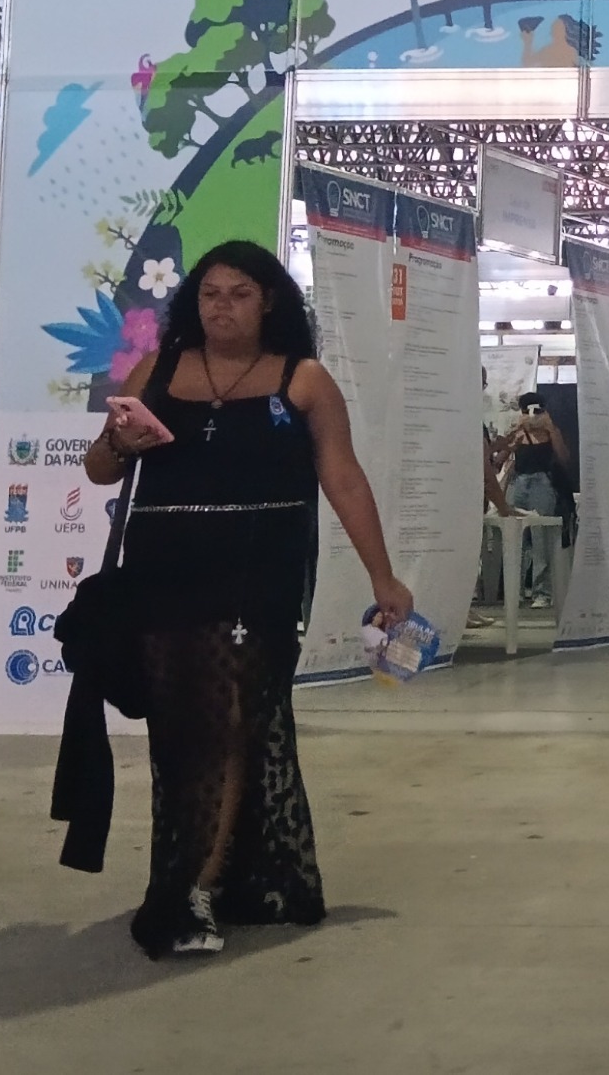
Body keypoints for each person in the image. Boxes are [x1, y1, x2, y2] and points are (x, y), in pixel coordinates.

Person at [80, 241, 413, 957]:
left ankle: (195, 887)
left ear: (269, 303)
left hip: (258, 574)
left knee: (229, 720)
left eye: (238, 294)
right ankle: (198, 874)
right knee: (182, 730)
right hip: (164, 574)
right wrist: (122, 440)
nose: (221, 307)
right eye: (210, 293)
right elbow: (100, 468)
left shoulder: (303, 380)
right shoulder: (156, 370)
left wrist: (383, 577)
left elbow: (343, 478)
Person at [499, 392, 570, 607]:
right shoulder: (519, 432)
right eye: (527, 410)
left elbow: (564, 458)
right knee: (515, 537)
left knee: (541, 538)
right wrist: (514, 435)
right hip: (519, 482)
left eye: (537, 410)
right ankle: (515, 589)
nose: (532, 415)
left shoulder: (551, 431)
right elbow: (500, 459)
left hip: (543, 483)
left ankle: (542, 592)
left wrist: (550, 429)